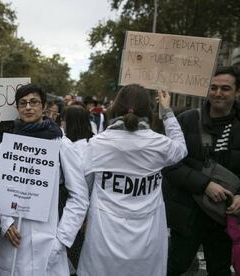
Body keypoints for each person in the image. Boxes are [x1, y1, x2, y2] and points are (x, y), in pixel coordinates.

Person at [77, 85, 187, 276]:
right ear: (148, 110)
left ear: (115, 107)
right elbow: (181, 149)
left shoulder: (97, 144)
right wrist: (167, 111)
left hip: (104, 238)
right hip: (148, 240)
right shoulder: (159, 143)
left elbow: (83, 187)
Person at [0, 84, 89, 276]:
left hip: (48, 243)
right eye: (23, 103)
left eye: (34, 102)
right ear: (17, 108)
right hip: (11, 243)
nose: (28, 107)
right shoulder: (6, 145)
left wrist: (61, 239)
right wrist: (5, 223)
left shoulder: (61, 145)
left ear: (43, 107)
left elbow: (80, 196)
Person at [164, 66, 240, 276]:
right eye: (213, 87)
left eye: (225, 88)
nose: (218, 93)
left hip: (226, 217)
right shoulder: (187, 120)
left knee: (220, 270)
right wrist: (205, 184)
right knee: (175, 267)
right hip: (189, 214)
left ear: (237, 92)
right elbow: (169, 165)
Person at [60, 104, 93, 273]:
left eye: (63, 120)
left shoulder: (75, 150)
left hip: (77, 216)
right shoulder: (90, 146)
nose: (61, 124)